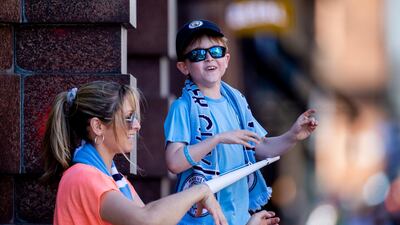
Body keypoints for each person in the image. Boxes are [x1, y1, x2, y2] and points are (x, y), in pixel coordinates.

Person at [164, 19, 318, 225]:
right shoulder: (182, 107)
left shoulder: (236, 101)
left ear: (226, 59)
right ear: (184, 67)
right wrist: (217, 139)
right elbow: (174, 162)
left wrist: (292, 136)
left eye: (215, 51)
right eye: (198, 55)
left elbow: (261, 147)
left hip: (238, 218)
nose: (209, 58)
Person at [41, 80, 228, 225]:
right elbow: (146, 219)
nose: (137, 125)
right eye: (128, 118)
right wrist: (201, 190)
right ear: (98, 126)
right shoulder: (83, 176)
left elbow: (156, 219)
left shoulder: (112, 178)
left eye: (135, 118)